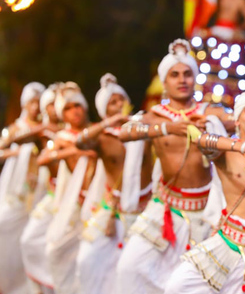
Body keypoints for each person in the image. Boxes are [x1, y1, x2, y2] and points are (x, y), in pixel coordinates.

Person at [115, 38, 232, 294]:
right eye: (175, 74)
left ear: (195, 79)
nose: (182, 79)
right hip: (167, 209)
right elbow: (124, 133)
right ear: (164, 82)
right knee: (128, 267)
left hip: (207, 212)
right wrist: (168, 128)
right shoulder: (155, 116)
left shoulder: (209, 112)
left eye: (188, 74)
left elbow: (240, 120)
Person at [164, 84, 245, 294]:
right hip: (232, 242)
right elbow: (200, 139)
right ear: (237, 119)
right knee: (178, 285)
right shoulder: (227, 151)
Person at [74, 73, 153, 294]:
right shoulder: (103, 136)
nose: (119, 105)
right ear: (103, 111)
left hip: (145, 209)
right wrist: (108, 124)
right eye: (112, 103)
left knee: (136, 269)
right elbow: (79, 142)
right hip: (113, 211)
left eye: (121, 100)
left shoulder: (143, 129)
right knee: (87, 260)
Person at [38, 82, 97, 294]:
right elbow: (43, 159)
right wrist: (76, 152)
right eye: (69, 108)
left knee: (90, 260)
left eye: (78, 106)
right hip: (74, 203)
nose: (75, 111)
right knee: (56, 252)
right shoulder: (62, 138)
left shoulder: (95, 132)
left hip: (99, 202)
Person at [0, 81, 45, 294]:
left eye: (38, 102)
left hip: (39, 190)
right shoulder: (15, 129)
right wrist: (19, 152)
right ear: (24, 104)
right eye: (32, 102)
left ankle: (34, 284)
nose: (35, 107)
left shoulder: (44, 131)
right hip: (16, 193)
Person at [20, 83, 64, 294]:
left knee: (57, 247)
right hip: (51, 195)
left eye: (58, 104)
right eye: (50, 104)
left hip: (73, 199)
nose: (54, 108)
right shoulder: (42, 133)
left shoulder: (74, 132)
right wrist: (39, 129)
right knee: (29, 240)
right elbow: (11, 141)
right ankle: (45, 285)